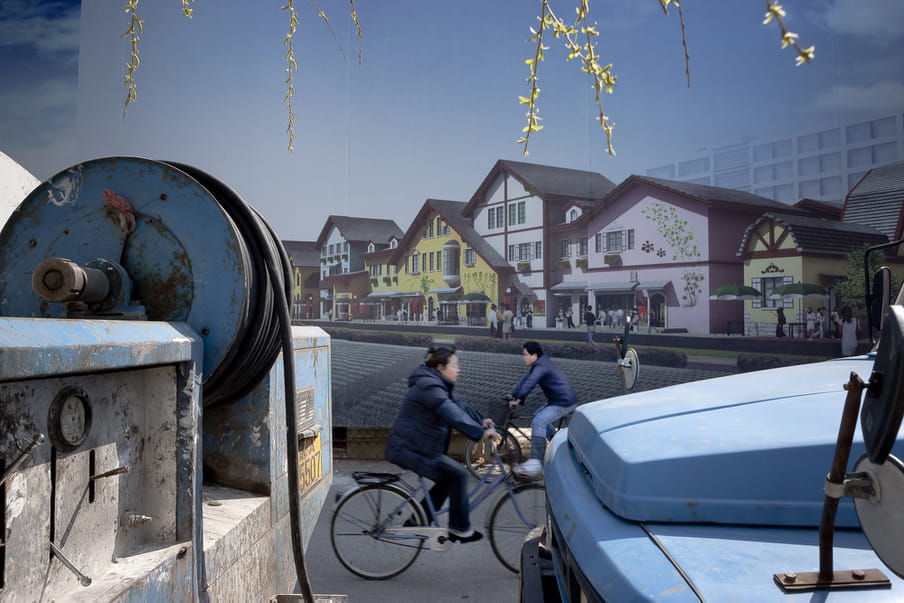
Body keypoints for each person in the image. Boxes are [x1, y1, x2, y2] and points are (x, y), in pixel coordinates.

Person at [385, 347, 497, 543]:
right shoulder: (429, 386)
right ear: (440, 367)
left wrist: (480, 421)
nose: (458, 370)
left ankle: (417, 522)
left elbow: (457, 406)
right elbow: (450, 412)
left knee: (448, 479)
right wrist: (480, 433)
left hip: (418, 446)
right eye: (455, 365)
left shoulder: (436, 384)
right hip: (411, 448)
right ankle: (459, 528)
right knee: (459, 475)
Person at [508, 341, 578, 478]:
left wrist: (519, 398)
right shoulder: (540, 363)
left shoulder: (541, 366)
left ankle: (537, 464)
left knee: (538, 422)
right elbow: (525, 380)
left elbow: (531, 382)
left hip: (564, 402)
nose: (524, 357)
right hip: (556, 400)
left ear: (534, 355)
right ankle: (556, 443)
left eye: (525, 355)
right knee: (537, 416)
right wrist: (513, 394)